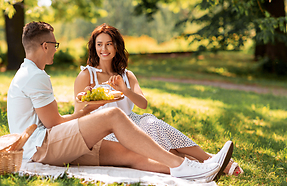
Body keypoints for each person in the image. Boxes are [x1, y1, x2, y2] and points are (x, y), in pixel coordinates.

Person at [7, 21, 233, 183]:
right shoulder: (36, 76)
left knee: (131, 155)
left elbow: (54, 123)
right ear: (44, 46)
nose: (55, 50)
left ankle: (197, 170)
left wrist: (88, 114)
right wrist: (89, 111)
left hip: (39, 147)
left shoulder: (28, 73)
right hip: (41, 146)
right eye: (54, 45)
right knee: (113, 115)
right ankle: (183, 165)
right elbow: (54, 124)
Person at [74, 23, 243, 177]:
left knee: (151, 123)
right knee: (151, 137)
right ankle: (213, 164)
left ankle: (207, 159)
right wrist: (90, 101)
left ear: (117, 46)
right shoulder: (86, 75)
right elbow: (78, 114)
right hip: (107, 131)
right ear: (94, 47)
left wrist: (124, 90)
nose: (104, 48)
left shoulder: (127, 75)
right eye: (99, 44)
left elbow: (142, 103)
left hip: (131, 121)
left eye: (109, 43)